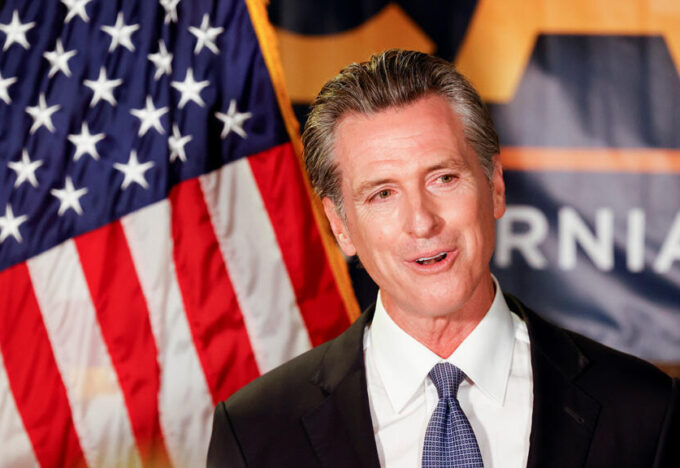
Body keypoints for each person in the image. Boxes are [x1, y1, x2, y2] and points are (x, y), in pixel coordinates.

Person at [207, 49, 678, 467]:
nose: (422, 222)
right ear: (340, 225)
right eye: (383, 193)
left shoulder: (643, 409)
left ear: (495, 185)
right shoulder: (257, 431)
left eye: (444, 178)